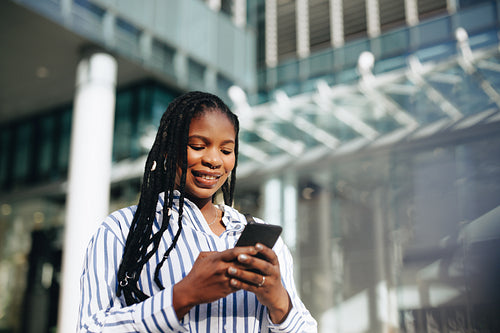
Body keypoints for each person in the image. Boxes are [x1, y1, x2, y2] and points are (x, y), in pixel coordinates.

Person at [78, 91, 317, 332]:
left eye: (226, 151)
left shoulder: (260, 239)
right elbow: (89, 328)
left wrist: (279, 302)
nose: (214, 160)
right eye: (197, 146)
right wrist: (182, 295)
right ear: (167, 151)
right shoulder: (122, 230)